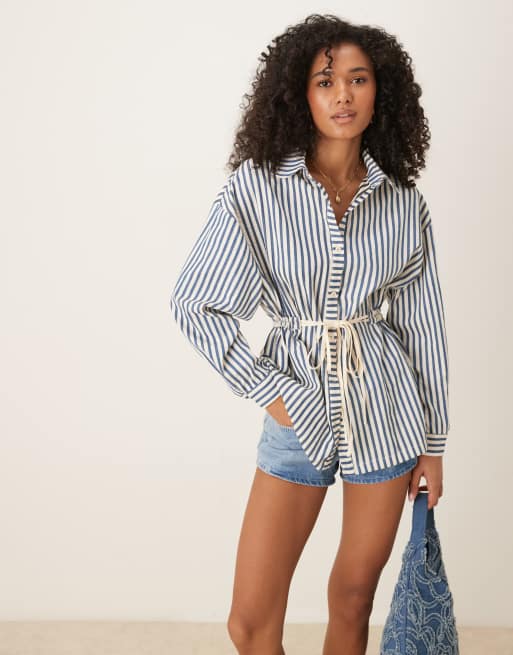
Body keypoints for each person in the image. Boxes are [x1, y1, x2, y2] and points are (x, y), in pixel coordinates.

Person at [169, 13, 450, 655]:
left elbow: (423, 326)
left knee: (353, 600)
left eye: (358, 79)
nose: (343, 95)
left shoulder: (403, 202)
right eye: (326, 81)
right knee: (250, 622)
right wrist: (275, 395)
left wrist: (433, 444)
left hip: (386, 410)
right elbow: (195, 303)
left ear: (381, 92)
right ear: (300, 94)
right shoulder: (256, 189)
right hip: (296, 403)